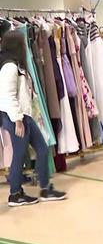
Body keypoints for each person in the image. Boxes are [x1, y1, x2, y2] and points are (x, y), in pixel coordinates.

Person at [0, 30, 67, 206]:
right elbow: (7, 95)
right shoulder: (9, 66)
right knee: (20, 155)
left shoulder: (16, 64)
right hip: (16, 118)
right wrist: (18, 120)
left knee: (43, 149)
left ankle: (46, 188)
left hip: (24, 116)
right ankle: (15, 194)